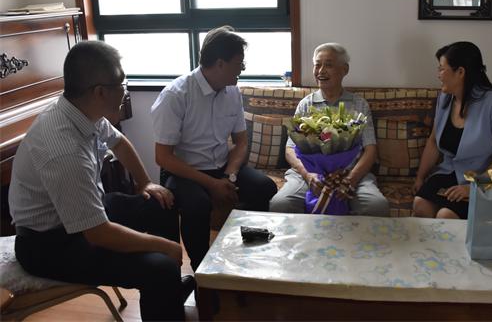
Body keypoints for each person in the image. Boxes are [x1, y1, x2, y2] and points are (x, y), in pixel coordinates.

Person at [8, 41, 193, 321]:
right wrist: (163, 246)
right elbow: (98, 234)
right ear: (100, 92)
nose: (125, 90)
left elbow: (119, 142)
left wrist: (145, 182)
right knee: (160, 266)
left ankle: (167, 293)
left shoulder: (83, 112)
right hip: (50, 245)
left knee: (161, 202)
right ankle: (165, 284)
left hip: (82, 217)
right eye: (122, 84)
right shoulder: (64, 149)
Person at [151, 25, 277, 271]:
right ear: (220, 64)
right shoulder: (176, 95)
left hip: (222, 167)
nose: (243, 69)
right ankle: (202, 271)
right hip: (184, 172)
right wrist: (212, 184)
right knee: (197, 205)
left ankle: (250, 255)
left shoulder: (232, 92)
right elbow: (163, 157)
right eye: (239, 63)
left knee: (264, 187)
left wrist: (229, 176)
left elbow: (241, 141)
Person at [269, 43, 389, 216]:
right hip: (308, 173)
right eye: (317, 65)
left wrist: (351, 179)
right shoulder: (306, 104)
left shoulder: (359, 104)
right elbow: (290, 149)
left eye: (329, 65)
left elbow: (370, 150)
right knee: (281, 204)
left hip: (351, 172)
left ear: (345, 69)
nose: (321, 71)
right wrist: (308, 175)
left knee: (376, 206)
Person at [412, 41, 492, 219]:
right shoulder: (445, 97)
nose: (438, 75)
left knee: (446, 216)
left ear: (460, 72)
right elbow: (433, 142)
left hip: (490, 180)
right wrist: (420, 177)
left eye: (442, 69)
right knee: (420, 205)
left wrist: (475, 186)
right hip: (452, 172)